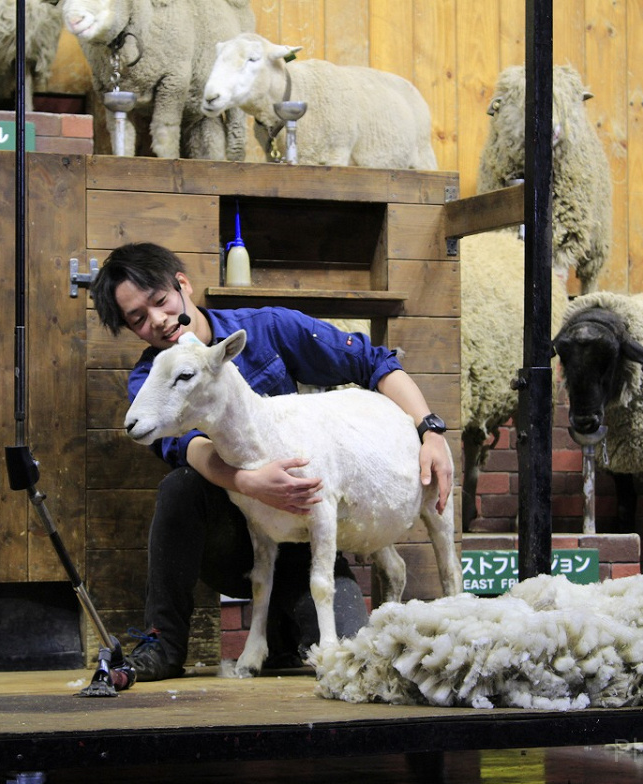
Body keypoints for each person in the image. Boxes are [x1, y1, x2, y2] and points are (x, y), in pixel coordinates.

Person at [91, 242, 453, 680]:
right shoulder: (151, 379)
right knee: (180, 487)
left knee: (349, 649)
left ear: (181, 285)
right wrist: (249, 481)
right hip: (232, 533)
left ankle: (283, 637)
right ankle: (164, 644)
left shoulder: (267, 329)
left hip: (305, 523)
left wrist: (428, 428)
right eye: (138, 319)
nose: (158, 320)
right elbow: (184, 447)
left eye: (160, 301)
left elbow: (371, 361)